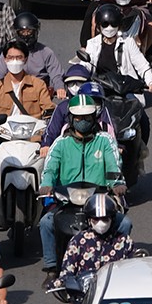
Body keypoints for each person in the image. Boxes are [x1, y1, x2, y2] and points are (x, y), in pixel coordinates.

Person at [39, 95, 122, 276]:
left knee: (124, 224)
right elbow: (50, 168)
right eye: (78, 118)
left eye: (87, 117)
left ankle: (120, 264)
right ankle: (51, 268)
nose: (83, 121)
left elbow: (114, 165)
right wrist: (46, 185)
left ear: (94, 118)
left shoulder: (105, 140)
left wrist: (117, 183)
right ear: (70, 118)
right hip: (66, 201)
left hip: (99, 199)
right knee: (46, 223)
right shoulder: (61, 143)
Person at [0, 10, 65, 97]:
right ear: (16, 33)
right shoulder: (9, 52)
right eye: (22, 32)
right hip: (13, 94)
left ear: (36, 32)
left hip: (39, 95)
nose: (26, 35)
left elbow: (56, 74)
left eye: (29, 32)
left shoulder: (45, 52)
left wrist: (59, 88)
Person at [0, 41, 56, 121]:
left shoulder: (38, 85)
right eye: (10, 57)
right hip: (3, 130)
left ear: (25, 59)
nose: (15, 61)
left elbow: (48, 108)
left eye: (19, 57)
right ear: (5, 59)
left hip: (31, 130)